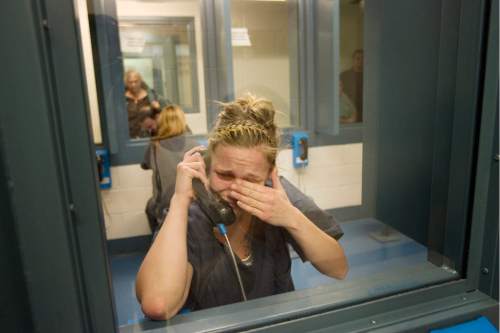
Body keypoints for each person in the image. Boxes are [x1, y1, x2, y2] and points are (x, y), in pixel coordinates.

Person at [136, 95, 348, 320]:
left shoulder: (279, 197)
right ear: (208, 166)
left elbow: (338, 269)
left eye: (250, 180)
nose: (235, 190)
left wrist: (291, 218)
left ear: (269, 175)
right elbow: (158, 304)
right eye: (224, 174)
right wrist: (179, 201)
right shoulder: (190, 217)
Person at [142, 105, 199, 233]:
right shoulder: (195, 145)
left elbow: (145, 165)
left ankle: (158, 237)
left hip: (165, 207)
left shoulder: (155, 146)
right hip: (194, 204)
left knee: (149, 208)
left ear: (161, 123)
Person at [125, 69, 168, 138]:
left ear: (140, 81)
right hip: (129, 138)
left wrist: (157, 108)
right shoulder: (122, 98)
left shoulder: (151, 96)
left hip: (149, 137)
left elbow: (167, 114)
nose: (133, 85)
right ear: (127, 83)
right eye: (130, 82)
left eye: (136, 81)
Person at [340, 49, 363, 122]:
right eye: (358, 58)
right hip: (347, 112)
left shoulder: (369, 77)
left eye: (363, 58)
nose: (361, 61)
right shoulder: (344, 75)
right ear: (353, 59)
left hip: (364, 111)